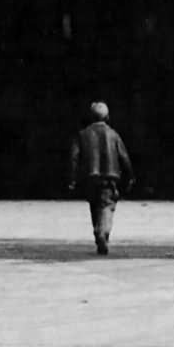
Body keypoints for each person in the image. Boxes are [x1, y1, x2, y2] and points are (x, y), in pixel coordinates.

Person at [69, 100, 135, 255]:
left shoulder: (82, 134)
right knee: (106, 207)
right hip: (109, 179)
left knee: (94, 206)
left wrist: (72, 179)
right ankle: (102, 233)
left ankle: (99, 234)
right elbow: (124, 157)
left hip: (90, 178)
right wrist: (130, 176)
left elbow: (74, 158)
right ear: (107, 117)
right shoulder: (113, 135)